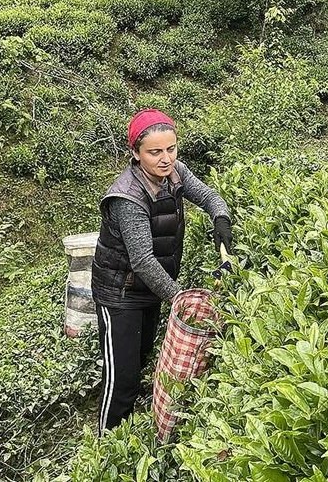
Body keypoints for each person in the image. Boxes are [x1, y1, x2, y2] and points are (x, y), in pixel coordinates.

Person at [90, 108, 233, 435]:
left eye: (171, 149)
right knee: (121, 377)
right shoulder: (127, 197)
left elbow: (209, 196)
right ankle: (107, 442)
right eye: (155, 152)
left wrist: (220, 220)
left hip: (150, 289)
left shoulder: (176, 173)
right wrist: (179, 298)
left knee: (139, 361)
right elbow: (142, 260)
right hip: (121, 293)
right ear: (136, 154)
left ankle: (128, 430)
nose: (165, 158)